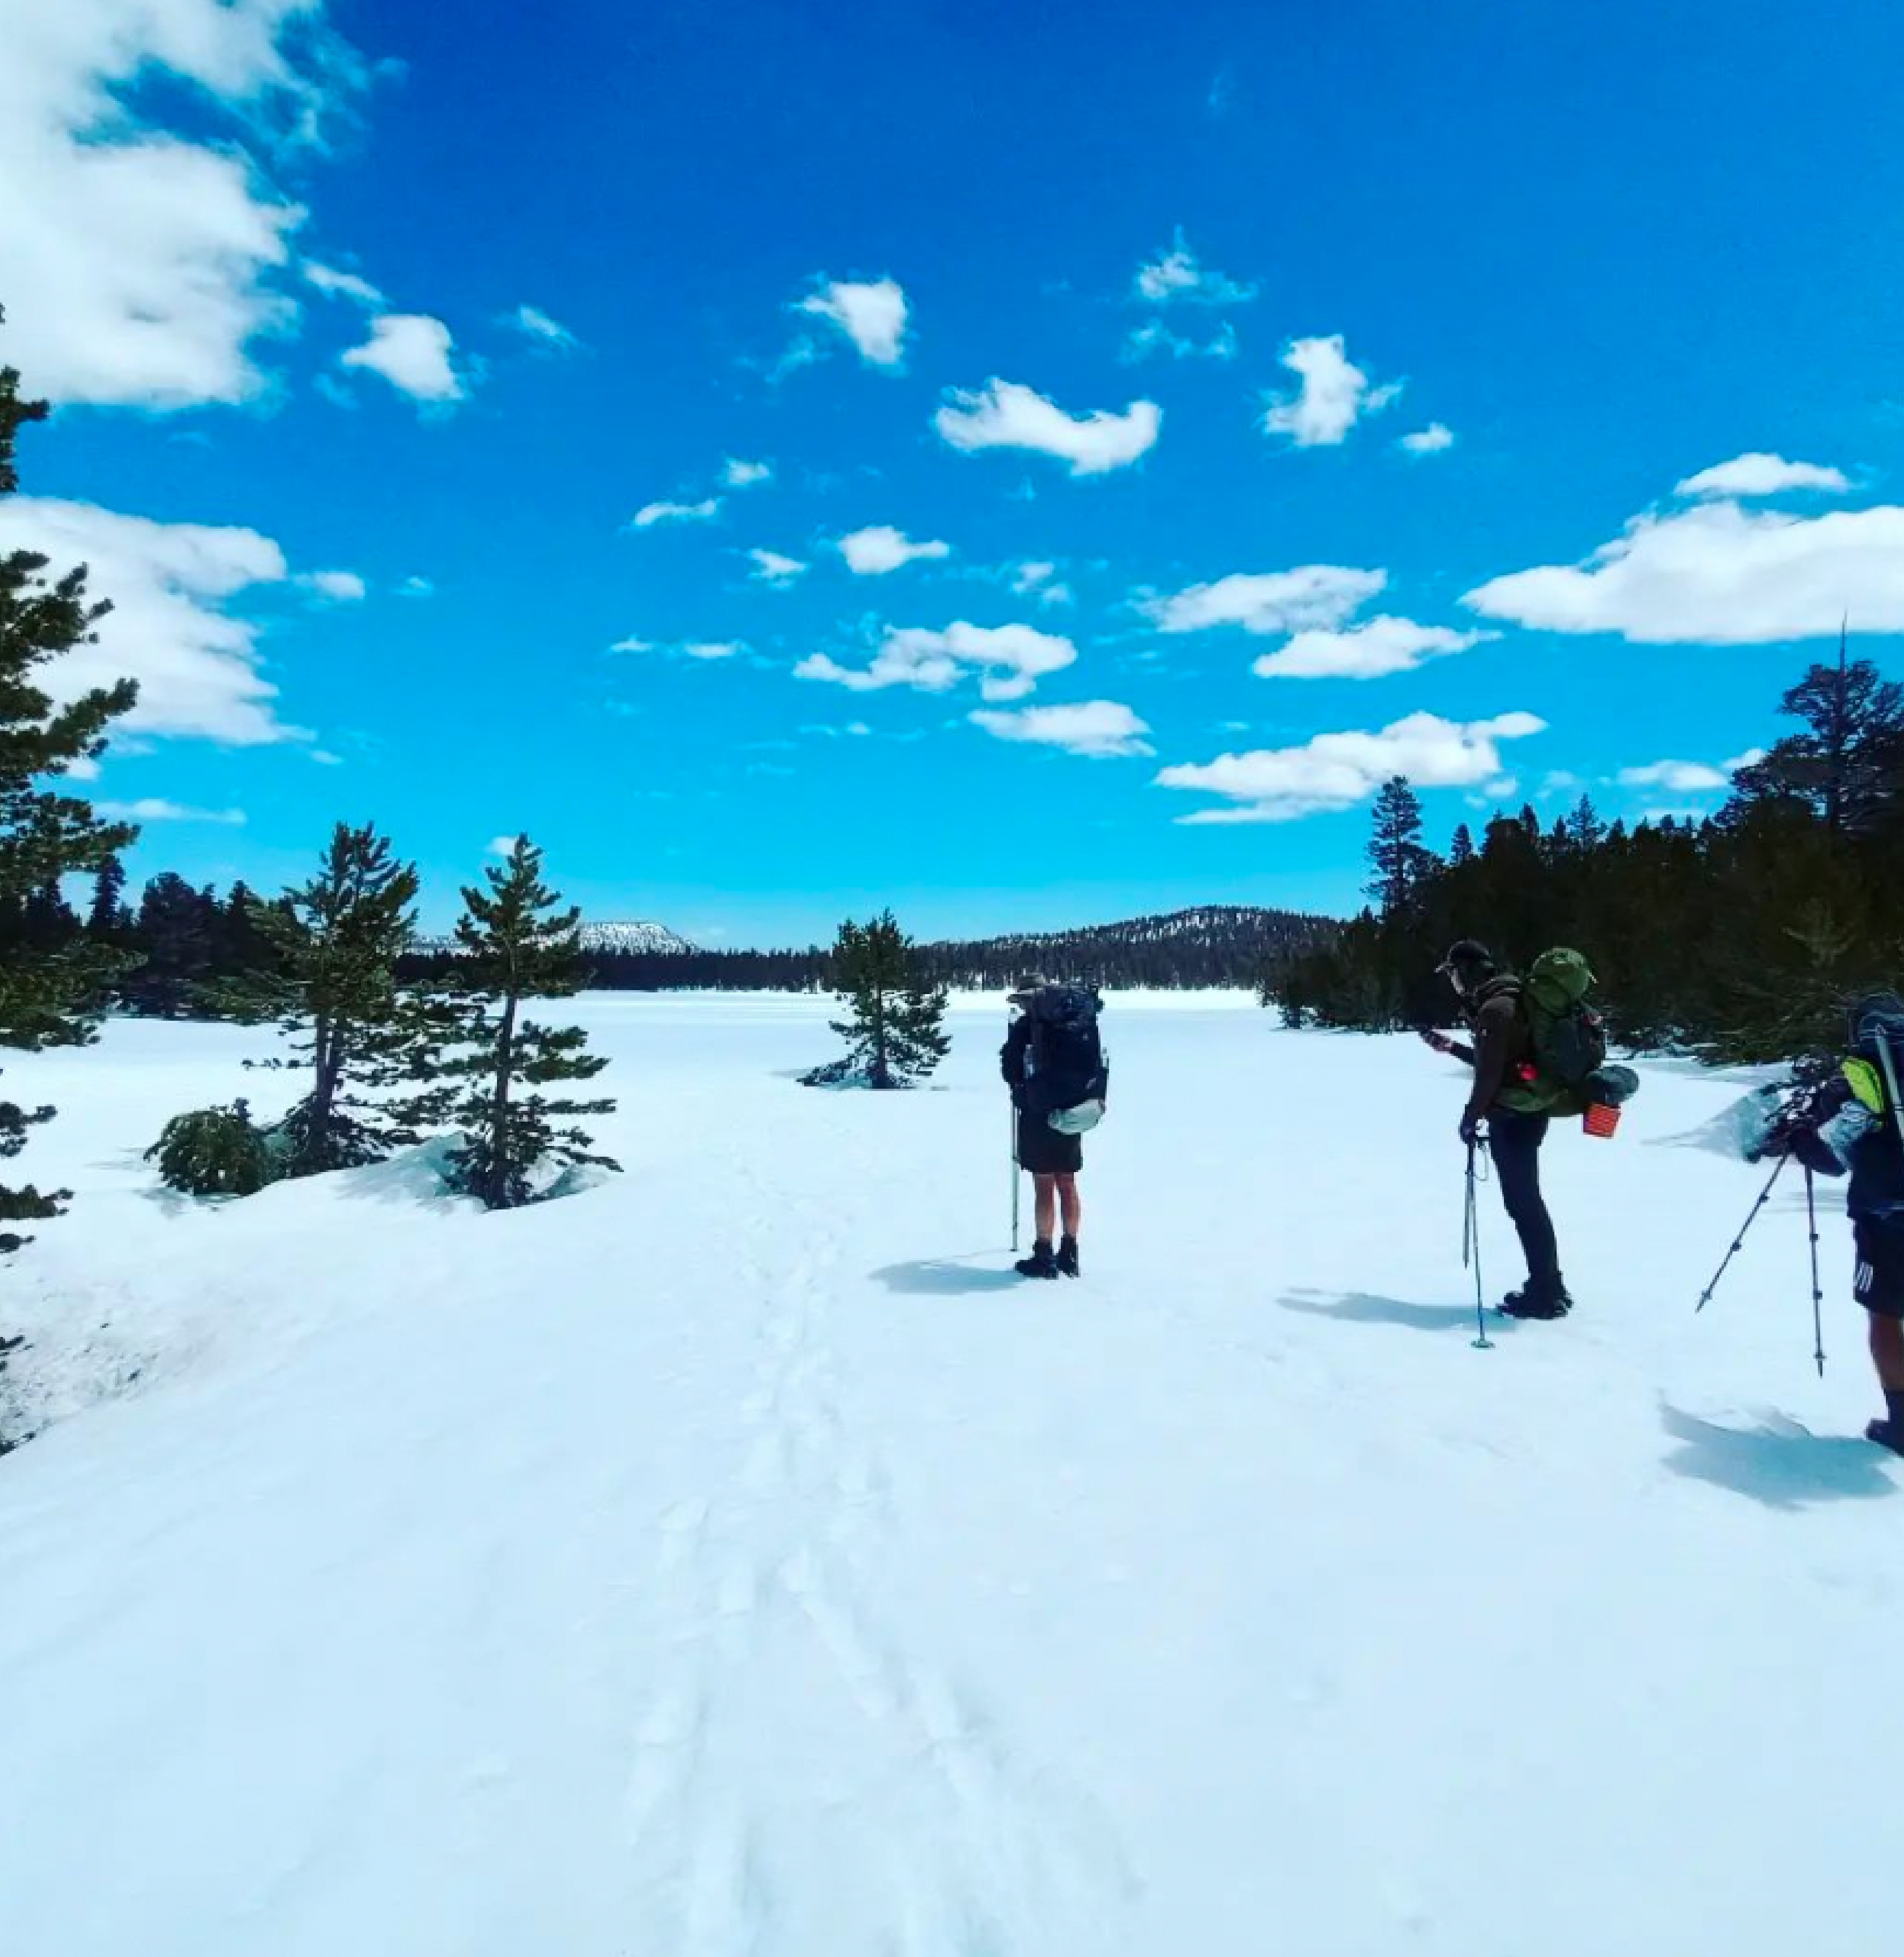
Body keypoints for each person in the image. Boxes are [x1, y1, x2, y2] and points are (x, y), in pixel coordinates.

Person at [1767, 991, 1904, 1456]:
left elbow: (1829, 1157)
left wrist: (1801, 1136)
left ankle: (1902, 1423)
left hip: (1883, 1215)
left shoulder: (1860, 1076)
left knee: (1886, 1315)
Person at [1427, 939, 1571, 1319]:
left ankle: (1546, 1292)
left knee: (1524, 1203)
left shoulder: (1496, 1008)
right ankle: (1550, 1285)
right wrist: (1453, 1049)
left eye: (1455, 972)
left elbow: (1490, 1075)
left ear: (1469, 970)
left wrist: (1470, 1116)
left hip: (1514, 1116)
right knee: (1527, 1201)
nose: (1454, 981)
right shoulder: (1511, 1000)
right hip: (1528, 1109)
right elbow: (1497, 1062)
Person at [1001, 975, 1083, 1280]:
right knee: (1068, 1181)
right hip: (1072, 1109)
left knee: (1044, 1183)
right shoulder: (1072, 1022)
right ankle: (1071, 1252)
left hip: (1038, 1111)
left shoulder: (1027, 1027)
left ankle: (1044, 1254)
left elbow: (1011, 1071)